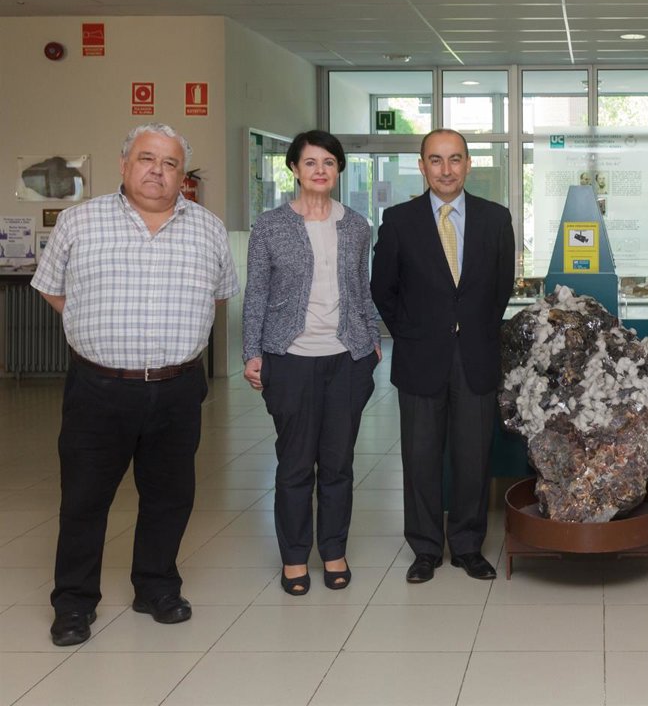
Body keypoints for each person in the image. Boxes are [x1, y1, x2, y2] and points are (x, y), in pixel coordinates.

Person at [31, 123, 239, 646]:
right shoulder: (79, 222)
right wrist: (93, 330)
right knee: (84, 499)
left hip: (177, 387)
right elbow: (52, 289)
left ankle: (156, 587)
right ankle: (74, 603)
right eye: (147, 159)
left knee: (170, 496)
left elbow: (218, 295)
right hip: (98, 388)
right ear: (124, 165)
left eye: (170, 163)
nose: (157, 171)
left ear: (182, 175)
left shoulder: (208, 228)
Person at [371, 128, 515, 583]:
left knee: (473, 459)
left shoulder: (495, 219)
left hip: (475, 356)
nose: (446, 170)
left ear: (468, 165)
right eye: (436, 160)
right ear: (422, 166)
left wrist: (473, 329)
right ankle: (426, 548)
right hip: (420, 358)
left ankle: (468, 546)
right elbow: (382, 288)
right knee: (421, 458)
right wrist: (413, 333)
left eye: (455, 159)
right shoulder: (399, 220)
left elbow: (501, 287)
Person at [242, 130, 380, 597]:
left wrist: (372, 339)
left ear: (338, 170)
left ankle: (334, 551)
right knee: (296, 464)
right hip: (290, 359)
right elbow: (256, 293)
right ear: (294, 170)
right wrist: (252, 352)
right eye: (310, 162)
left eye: (328, 162)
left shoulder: (357, 225)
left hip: (347, 359)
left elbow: (362, 287)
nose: (320, 170)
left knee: (339, 464)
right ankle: (295, 556)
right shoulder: (270, 226)